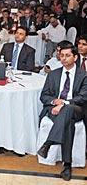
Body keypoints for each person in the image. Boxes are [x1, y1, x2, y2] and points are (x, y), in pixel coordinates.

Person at [37, 41, 87, 181]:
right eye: (62, 55)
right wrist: (54, 102)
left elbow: (82, 97)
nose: (64, 58)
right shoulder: (53, 74)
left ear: (75, 57)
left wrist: (64, 103)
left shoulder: (83, 75)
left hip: (76, 108)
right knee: (68, 122)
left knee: (69, 109)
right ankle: (67, 165)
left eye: (67, 55)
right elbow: (44, 96)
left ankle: (48, 143)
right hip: (55, 111)